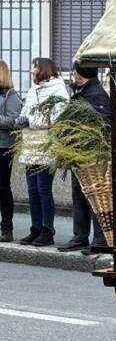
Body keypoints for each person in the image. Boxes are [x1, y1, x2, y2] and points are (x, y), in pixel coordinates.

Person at [59, 61, 113, 254]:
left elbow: (104, 126)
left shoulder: (97, 94)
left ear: (80, 73)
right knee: (79, 196)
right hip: (78, 155)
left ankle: (100, 240)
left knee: (95, 198)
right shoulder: (82, 92)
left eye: (74, 70)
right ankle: (79, 236)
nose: (72, 74)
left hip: (91, 156)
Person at [18, 58, 69, 247]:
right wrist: (21, 120)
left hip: (47, 144)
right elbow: (26, 111)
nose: (32, 71)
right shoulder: (32, 91)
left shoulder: (58, 89)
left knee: (43, 189)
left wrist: (31, 121)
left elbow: (57, 118)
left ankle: (48, 230)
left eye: (35, 67)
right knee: (32, 190)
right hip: (30, 144)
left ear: (44, 69)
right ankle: (36, 228)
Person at [0, 60, 28, 242]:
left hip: (3, 146)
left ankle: (7, 228)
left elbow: (13, 122)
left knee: (2, 188)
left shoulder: (10, 95)